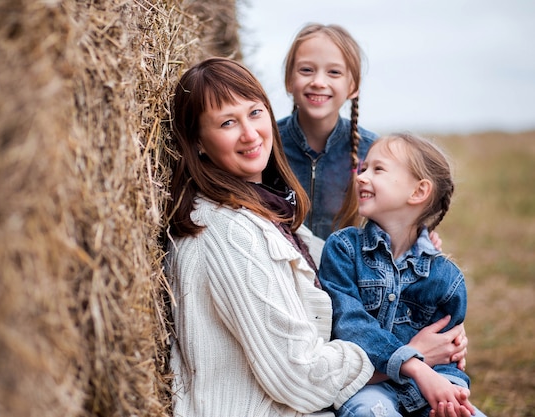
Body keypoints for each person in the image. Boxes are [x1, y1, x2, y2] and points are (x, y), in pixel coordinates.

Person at [166, 57, 469, 417]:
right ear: (198, 142)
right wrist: (410, 357)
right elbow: (299, 375)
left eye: (255, 112)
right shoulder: (228, 232)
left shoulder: (269, 215)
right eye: (228, 122)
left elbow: (354, 269)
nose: (250, 133)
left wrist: (415, 264)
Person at [318, 133, 487, 417]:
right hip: (367, 386)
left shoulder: (446, 276)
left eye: (378, 169)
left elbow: (450, 353)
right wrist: (414, 364)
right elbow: (350, 324)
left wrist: (451, 392)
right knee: (370, 410)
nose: (360, 177)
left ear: (418, 192)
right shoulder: (344, 249)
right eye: (363, 169)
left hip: (426, 388)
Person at [278, 23, 377, 240]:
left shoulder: (372, 152)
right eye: (306, 70)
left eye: (334, 72)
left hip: (344, 272)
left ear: (353, 86)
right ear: (289, 80)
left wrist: (422, 236)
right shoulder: (267, 144)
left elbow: (397, 216)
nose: (319, 82)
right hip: (282, 270)